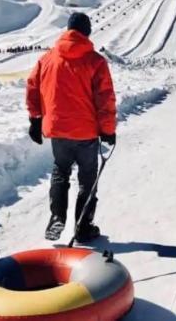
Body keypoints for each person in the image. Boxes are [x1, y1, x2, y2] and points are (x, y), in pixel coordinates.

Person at [26, 12, 116, 242]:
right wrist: (107, 130)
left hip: (57, 130)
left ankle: (57, 216)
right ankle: (83, 226)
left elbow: (33, 88)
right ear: (86, 33)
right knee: (87, 178)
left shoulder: (47, 58)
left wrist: (35, 119)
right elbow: (105, 99)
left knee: (60, 171)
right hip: (85, 132)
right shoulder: (95, 61)